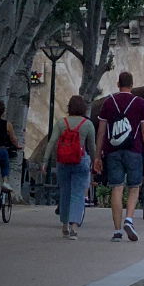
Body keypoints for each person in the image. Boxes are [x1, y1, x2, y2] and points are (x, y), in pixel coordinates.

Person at [93, 71, 144, 242]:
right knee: (134, 186)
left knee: (116, 188)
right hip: (134, 150)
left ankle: (117, 231)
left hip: (112, 151)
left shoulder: (108, 102)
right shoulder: (140, 103)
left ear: (118, 84)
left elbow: (102, 131)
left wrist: (97, 156)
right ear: (132, 85)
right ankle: (129, 219)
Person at [44, 94, 96, 239]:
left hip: (63, 162)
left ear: (69, 108)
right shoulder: (87, 124)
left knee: (65, 193)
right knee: (78, 194)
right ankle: (74, 226)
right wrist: (96, 161)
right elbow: (92, 147)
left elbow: (51, 142)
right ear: (84, 108)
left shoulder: (61, 123)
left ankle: (64, 225)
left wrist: (44, 161)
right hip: (81, 162)